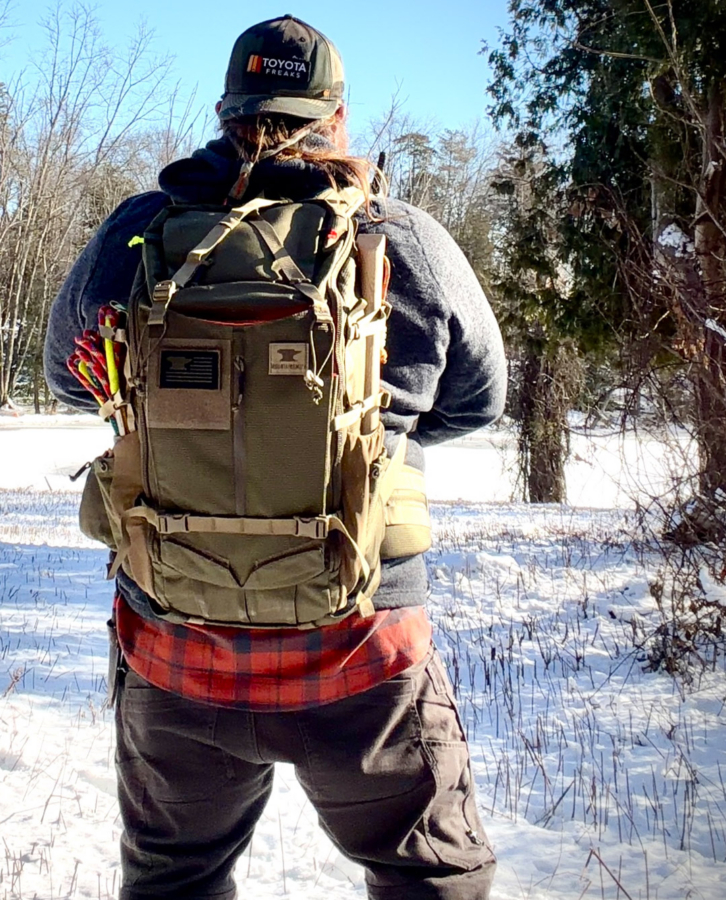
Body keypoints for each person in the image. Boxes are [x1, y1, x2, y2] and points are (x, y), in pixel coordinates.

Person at [44, 14, 506, 900]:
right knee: (432, 883)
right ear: (336, 116)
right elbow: (479, 398)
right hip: (363, 649)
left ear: (227, 112)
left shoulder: (141, 230)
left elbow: (70, 376)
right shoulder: (399, 234)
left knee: (176, 882)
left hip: (175, 646)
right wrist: (379, 435)